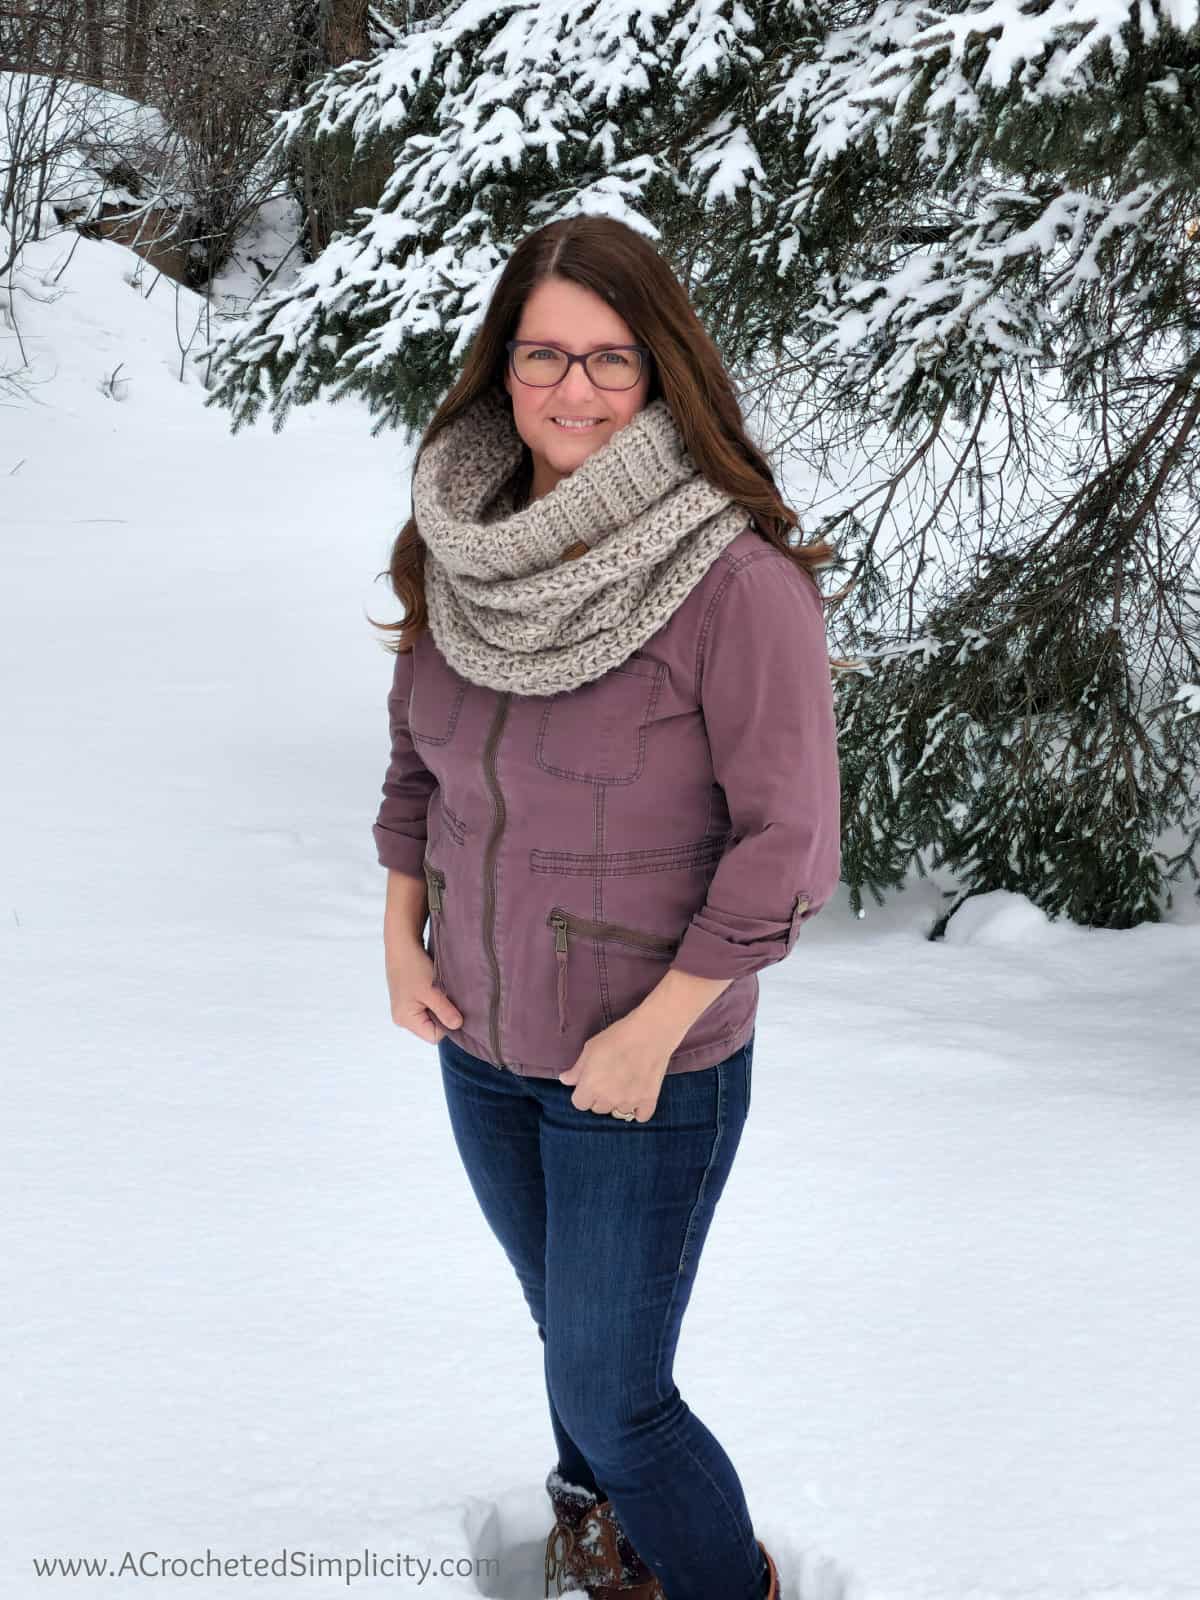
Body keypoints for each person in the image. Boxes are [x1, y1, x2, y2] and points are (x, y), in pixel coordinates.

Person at [370, 215, 842, 1600]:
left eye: (611, 361)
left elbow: (788, 849)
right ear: (498, 368)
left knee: (618, 1389)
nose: (572, 393)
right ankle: (600, 1531)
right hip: (483, 1042)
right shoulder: (460, 545)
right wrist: (400, 936)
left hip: (646, 1066)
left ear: (664, 371)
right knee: (565, 1328)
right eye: (542, 356)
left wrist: (654, 1034)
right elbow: (419, 763)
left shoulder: (733, 581)